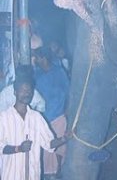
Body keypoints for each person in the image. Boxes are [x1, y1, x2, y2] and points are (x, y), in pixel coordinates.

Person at [0, 77, 69, 180]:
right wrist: (18, 148)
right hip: (11, 175)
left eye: (29, 90)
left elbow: (48, 143)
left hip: (33, 175)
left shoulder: (37, 117)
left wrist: (64, 138)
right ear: (15, 92)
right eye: (23, 90)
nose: (27, 93)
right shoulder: (4, 118)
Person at [33, 46, 70, 179]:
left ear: (43, 58)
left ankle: (58, 172)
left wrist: (66, 111)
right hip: (44, 118)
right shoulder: (36, 75)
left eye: (37, 57)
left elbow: (68, 93)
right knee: (46, 149)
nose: (35, 60)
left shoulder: (59, 72)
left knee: (60, 147)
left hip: (59, 116)